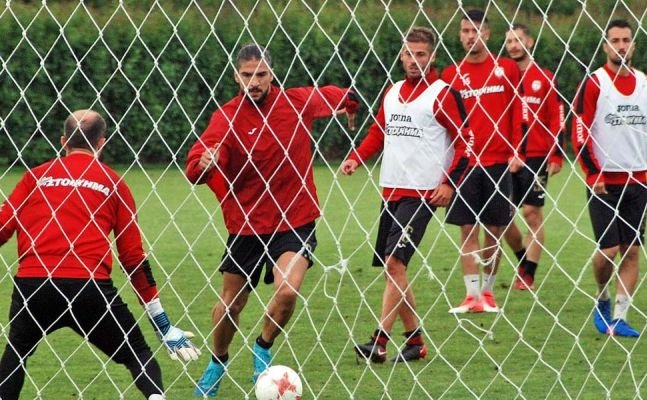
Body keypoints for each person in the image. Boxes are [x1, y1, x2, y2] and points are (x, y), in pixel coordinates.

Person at [186, 44, 359, 397]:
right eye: (247, 75)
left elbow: (340, 95)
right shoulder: (226, 117)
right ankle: (217, 362)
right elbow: (197, 164)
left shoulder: (295, 102)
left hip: (295, 219)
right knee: (231, 304)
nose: (254, 81)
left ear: (272, 74)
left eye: (261, 74)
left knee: (287, 290)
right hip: (247, 223)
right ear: (236, 76)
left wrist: (351, 105)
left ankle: (262, 348)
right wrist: (203, 164)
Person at [0, 110, 199, 400]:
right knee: (138, 354)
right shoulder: (114, 183)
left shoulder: (35, 177)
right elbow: (133, 258)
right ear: (101, 142)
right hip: (89, 288)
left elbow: (2, 228)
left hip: (35, 286)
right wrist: (163, 324)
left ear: (63, 141)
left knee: (16, 355)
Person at [340, 27, 473, 363]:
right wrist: (356, 157)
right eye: (409, 54)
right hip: (391, 190)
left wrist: (449, 183)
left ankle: (379, 341)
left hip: (423, 194)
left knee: (395, 263)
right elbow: (378, 132)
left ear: (433, 56)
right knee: (393, 270)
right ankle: (415, 341)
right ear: (401, 55)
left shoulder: (443, 95)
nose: (414, 61)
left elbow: (466, 143)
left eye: (421, 55)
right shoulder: (393, 92)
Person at [441, 9, 524, 313]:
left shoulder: (506, 68)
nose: (469, 36)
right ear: (459, 35)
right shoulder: (450, 75)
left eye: (475, 31)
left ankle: (487, 293)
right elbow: (445, 122)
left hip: (498, 161)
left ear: (486, 34)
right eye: (465, 31)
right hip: (465, 164)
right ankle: (470, 295)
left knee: (494, 229)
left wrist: (517, 150)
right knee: (467, 228)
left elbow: (517, 111)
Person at [572, 19, 647, 338]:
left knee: (632, 250)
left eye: (626, 40)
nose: (621, 46)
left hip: (639, 181)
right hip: (604, 182)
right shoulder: (595, 83)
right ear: (605, 46)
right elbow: (579, 130)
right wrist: (593, 171)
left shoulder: (644, 83)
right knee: (609, 250)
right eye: (615, 40)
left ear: (634, 45)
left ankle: (619, 317)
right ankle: (602, 298)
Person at [503, 23, 565, 290]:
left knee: (531, 212)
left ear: (529, 42)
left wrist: (557, 154)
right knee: (502, 217)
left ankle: (529, 272)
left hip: (537, 155)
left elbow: (557, 117)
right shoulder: (501, 77)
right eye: (509, 41)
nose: (513, 45)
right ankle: (523, 259)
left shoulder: (545, 77)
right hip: (506, 156)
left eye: (518, 40)